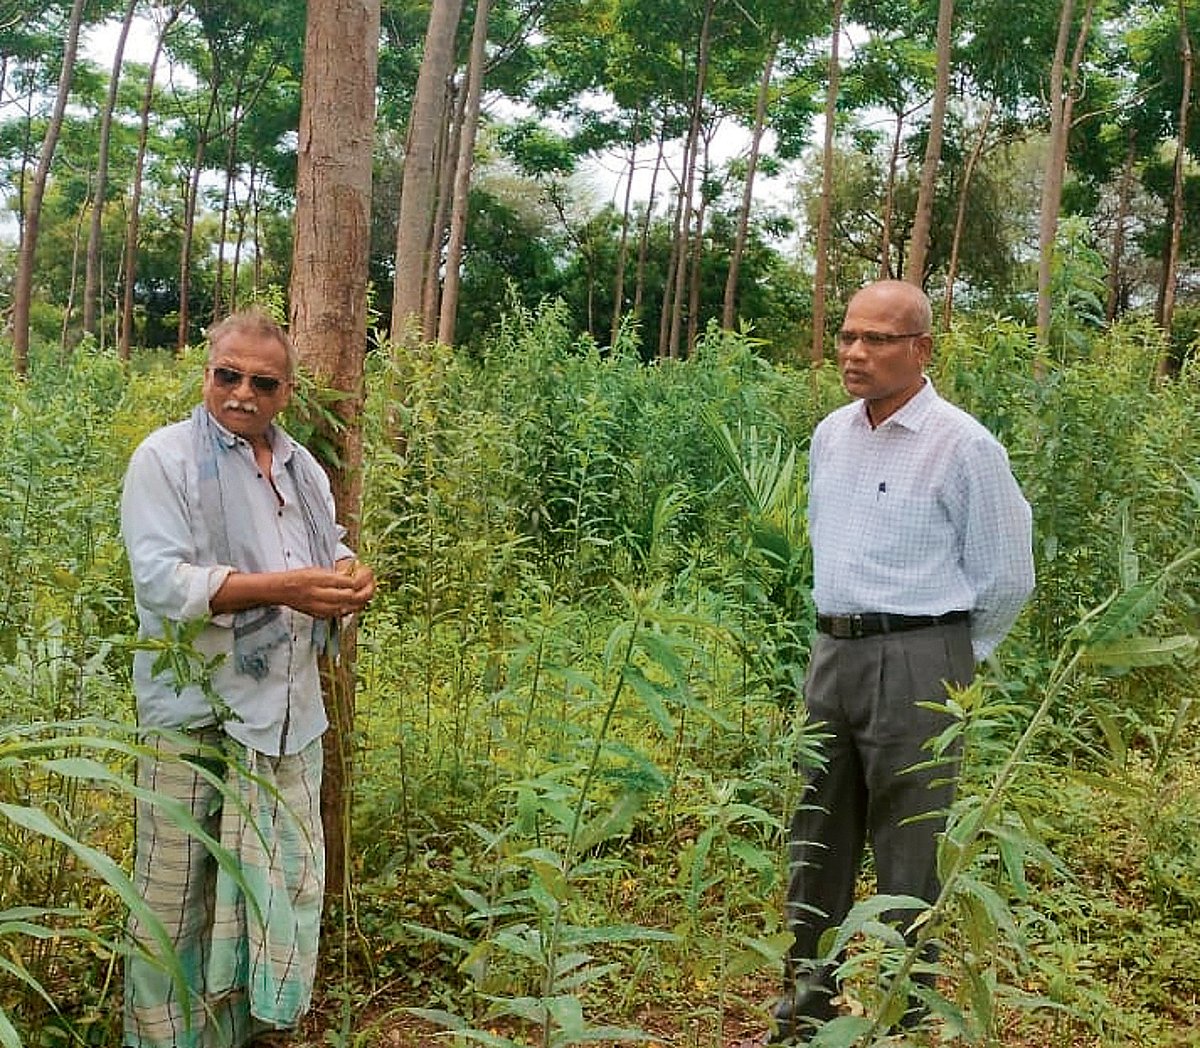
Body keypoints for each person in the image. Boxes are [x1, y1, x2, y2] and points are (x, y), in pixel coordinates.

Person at [768, 280, 1034, 1044]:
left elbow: (1008, 576)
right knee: (814, 837)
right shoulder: (832, 433)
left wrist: (950, 658)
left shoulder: (964, 446)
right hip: (832, 654)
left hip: (921, 659)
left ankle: (899, 1016)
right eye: (849, 335)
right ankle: (803, 1016)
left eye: (878, 340)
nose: (855, 352)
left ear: (920, 349)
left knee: (909, 849)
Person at [121, 309, 375, 1048]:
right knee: (176, 897)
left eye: (262, 382)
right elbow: (162, 583)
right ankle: (164, 1039)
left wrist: (346, 580)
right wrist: (283, 588)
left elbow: (328, 552)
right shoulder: (164, 460)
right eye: (227, 375)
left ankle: (241, 1032)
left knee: (270, 892)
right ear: (207, 373)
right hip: (195, 712)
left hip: (287, 714)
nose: (242, 394)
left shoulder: (304, 470)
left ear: (286, 391)